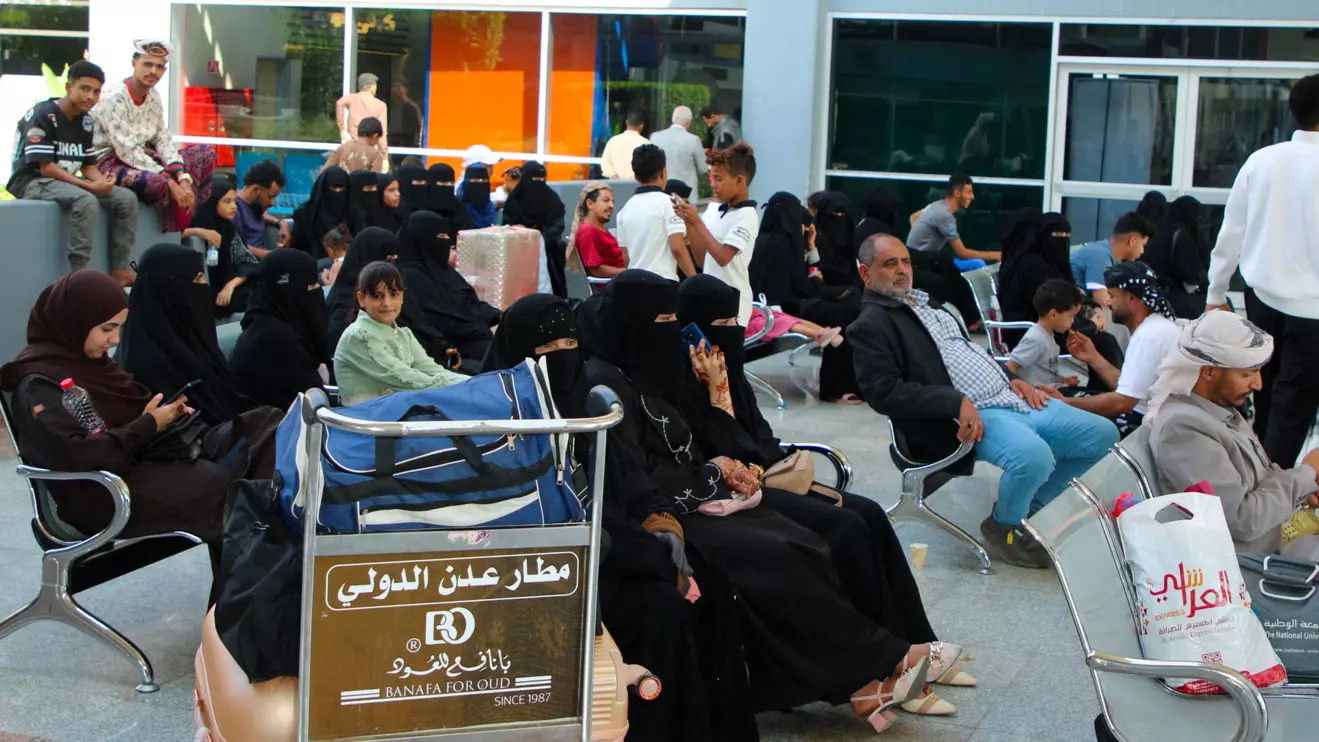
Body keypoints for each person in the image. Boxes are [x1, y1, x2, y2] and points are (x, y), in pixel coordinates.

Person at [580, 270, 949, 733]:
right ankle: (882, 662)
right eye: (664, 318)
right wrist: (718, 436)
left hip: (712, 492)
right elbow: (643, 470)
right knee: (786, 550)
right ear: (632, 322)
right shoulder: (612, 385)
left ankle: (880, 664)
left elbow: (740, 445)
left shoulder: (650, 371)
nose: (674, 331)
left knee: (814, 538)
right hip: (670, 512)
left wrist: (725, 442)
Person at [676, 275, 975, 716]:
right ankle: (886, 665)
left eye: (733, 321)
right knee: (845, 527)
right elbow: (724, 449)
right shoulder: (688, 377)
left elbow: (758, 439)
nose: (730, 332)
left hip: (767, 475)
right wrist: (716, 389)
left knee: (870, 513)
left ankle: (916, 643)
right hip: (734, 491)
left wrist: (729, 388)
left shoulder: (727, 366)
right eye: (718, 322)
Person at [484, 293, 759, 741]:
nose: (561, 360)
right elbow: (565, 512)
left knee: (714, 587)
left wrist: (660, 520)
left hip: (618, 547)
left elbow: (628, 477)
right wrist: (656, 560)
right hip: (552, 565)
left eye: (568, 346)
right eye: (546, 353)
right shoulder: (502, 421)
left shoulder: (590, 407)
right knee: (659, 611)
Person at [0, 270, 281, 604]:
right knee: (227, 490)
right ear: (73, 322)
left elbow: (128, 415)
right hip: (97, 493)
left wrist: (164, 415)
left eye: (118, 328)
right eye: (107, 329)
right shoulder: (41, 383)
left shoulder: (95, 365)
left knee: (264, 427)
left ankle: (258, 600)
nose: (115, 340)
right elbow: (78, 454)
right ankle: (242, 615)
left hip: (137, 461)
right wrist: (148, 423)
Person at [849, 234, 1118, 568]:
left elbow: (973, 354)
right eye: (890, 264)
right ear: (865, 273)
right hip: (968, 416)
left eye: (905, 261)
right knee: (1034, 458)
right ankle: (1004, 525)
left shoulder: (932, 305)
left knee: (1104, 436)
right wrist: (954, 402)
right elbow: (883, 391)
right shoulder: (872, 323)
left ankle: (1031, 510)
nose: (903, 270)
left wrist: (1015, 380)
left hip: (1009, 396)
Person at [1209, 79, 1319, 469]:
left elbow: (1231, 231)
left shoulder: (1262, 160)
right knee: (1292, 410)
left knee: (1263, 395)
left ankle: (1256, 485)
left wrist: (1216, 292)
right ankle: (1267, 501)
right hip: (1313, 313)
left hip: (1263, 301)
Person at [1148, 311, 1319, 559]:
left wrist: (1304, 490)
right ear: (1208, 372)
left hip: (1278, 536)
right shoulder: (1183, 428)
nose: (1258, 385)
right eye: (1247, 374)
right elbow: (1241, 519)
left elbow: (1261, 481)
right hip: (1258, 561)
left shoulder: (1216, 407)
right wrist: (1307, 474)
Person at [7, 60, 137, 285]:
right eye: (85, 89)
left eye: (96, 91)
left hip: (65, 182)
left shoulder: (85, 121)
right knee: (86, 201)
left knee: (126, 198)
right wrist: (89, 186)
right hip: (31, 181)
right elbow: (47, 168)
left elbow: (88, 166)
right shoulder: (43, 114)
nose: (91, 97)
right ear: (69, 87)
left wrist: (104, 182)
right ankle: (78, 275)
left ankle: (119, 270)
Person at [117, 244, 259, 427]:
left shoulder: (187, 342)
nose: (204, 287)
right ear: (171, 289)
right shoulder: (147, 366)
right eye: (198, 279)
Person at [93, 39, 214, 233]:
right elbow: (128, 151)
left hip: (148, 158)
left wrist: (182, 177)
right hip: (110, 161)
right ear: (134, 63)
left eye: (159, 67)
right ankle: (172, 212)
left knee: (204, 154)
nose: (153, 72)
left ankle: (182, 214)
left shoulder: (154, 96)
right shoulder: (114, 98)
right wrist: (170, 181)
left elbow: (162, 138)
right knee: (156, 183)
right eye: (147, 64)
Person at [1064, 261, 1183, 433]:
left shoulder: (1148, 336)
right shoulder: (1154, 327)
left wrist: (1064, 404)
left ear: (1132, 298)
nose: (1108, 302)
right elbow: (1129, 388)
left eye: (1112, 295)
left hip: (1148, 424)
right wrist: (1094, 357)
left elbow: (1123, 402)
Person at [333, 261, 466, 405]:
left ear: (402, 296)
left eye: (394, 294)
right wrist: (469, 387)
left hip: (396, 415)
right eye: (377, 296)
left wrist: (475, 383)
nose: (387, 303)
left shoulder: (403, 334)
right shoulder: (359, 336)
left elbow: (432, 370)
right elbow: (407, 380)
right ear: (361, 299)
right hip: (369, 421)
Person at [397, 210, 500, 369]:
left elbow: (471, 303)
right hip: (447, 355)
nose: (446, 242)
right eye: (441, 237)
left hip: (474, 340)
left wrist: (500, 315)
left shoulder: (445, 272)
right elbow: (433, 324)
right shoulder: (409, 278)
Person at [229, 249, 330, 410]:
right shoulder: (275, 342)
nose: (317, 290)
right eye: (311, 285)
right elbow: (313, 409)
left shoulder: (271, 326)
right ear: (288, 291)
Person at [675, 143, 758, 327]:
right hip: (708, 301)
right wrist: (689, 222)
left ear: (739, 181)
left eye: (719, 179)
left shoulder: (747, 215)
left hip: (733, 307)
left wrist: (697, 222)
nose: (713, 185)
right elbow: (704, 261)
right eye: (712, 178)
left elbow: (723, 257)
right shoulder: (714, 209)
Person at [182, 178, 260, 318]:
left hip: (228, 287)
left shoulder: (229, 229)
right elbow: (176, 235)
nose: (234, 207)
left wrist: (230, 285)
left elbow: (248, 263)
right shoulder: (196, 222)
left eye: (235, 201)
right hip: (206, 291)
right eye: (227, 201)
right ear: (213, 202)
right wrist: (199, 231)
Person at [615, 144, 695, 280]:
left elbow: (626, 256)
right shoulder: (670, 204)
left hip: (634, 284)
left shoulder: (624, 211)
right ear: (663, 172)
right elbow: (677, 248)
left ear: (635, 176)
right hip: (663, 284)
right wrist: (695, 280)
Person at [326, 227, 402, 352]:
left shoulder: (393, 293)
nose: (392, 266)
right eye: (388, 258)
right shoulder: (345, 301)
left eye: (395, 258)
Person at [502, 161, 568, 298]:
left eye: (541, 179)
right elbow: (507, 227)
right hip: (520, 257)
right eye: (534, 179)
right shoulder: (514, 202)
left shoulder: (552, 199)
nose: (538, 183)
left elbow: (558, 225)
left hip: (551, 257)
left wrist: (540, 238)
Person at [906, 174, 999, 270]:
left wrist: (921, 235)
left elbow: (914, 216)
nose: (972, 197)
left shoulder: (936, 205)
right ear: (957, 193)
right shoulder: (945, 216)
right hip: (924, 263)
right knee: (977, 263)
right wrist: (997, 255)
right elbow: (962, 253)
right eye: (969, 192)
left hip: (917, 257)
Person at [1007, 279, 1084, 390]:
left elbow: (1044, 370)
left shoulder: (1047, 334)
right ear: (1053, 314)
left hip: (1052, 390)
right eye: (1070, 316)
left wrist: (1062, 379)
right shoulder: (1035, 338)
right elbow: (1012, 365)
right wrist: (1024, 391)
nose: (1072, 321)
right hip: (1040, 396)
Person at [1069, 212, 1155, 307]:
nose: (1142, 251)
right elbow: (1102, 298)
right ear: (1132, 241)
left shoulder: (1109, 255)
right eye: (1143, 245)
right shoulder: (1100, 256)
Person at [1145, 195, 1210, 319]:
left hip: (1157, 299)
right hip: (1177, 302)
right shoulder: (1182, 236)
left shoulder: (1160, 231)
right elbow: (1187, 274)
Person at [568, 181, 627, 280]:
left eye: (613, 201)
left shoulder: (599, 229)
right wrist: (630, 272)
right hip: (614, 288)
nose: (611, 205)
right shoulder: (587, 231)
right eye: (606, 200)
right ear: (590, 204)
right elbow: (596, 271)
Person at [289, 167, 350, 260]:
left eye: (341, 188)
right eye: (334, 187)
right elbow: (296, 249)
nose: (337, 192)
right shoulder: (306, 216)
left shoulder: (352, 216)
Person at [650, 106, 709, 202]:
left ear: (673, 119)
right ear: (688, 122)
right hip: (686, 196)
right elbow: (703, 168)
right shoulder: (693, 140)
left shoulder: (655, 137)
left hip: (660, 192)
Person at [234, 159, 289, 252]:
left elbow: (261, 215)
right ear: (255, 190)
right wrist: (272, 256)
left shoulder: (255, 208)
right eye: (270, 197)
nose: (273, 203)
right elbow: (238, 248)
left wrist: (282, 224)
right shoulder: (235, 210)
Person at [813, 191, 862, 288]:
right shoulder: (812, 243)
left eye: (843, 213)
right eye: (835, 213)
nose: (839, 218)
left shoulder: (854, 244)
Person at [335, 73, 388, 163]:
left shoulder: (352, 98)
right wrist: (384, 156)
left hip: (351, 147)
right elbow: (381, 135)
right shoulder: (380, 105)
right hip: (369, 151)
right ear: (373, 86)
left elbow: (339, 103)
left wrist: (342, 130)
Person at [600, 108, 649, 180]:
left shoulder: (613, 141)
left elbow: (605, 163)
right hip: (636, 184)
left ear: (626, 122)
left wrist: (614, 176)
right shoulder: (646, 143)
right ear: (641, 125)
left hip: (615, 185)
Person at [425, 163, 473, 234]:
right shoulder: (421, 205)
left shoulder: (459, 206)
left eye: (451, 183)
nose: (448, 186)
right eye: (443, 183)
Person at [458, 164, 497, 228]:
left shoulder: (489, 206)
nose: (480, 182)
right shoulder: (458, 207)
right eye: (475, 179)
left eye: (484, 180)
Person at [345, 169, 381, 236]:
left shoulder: (381, 215)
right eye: (368, 188)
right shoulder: (347, 221)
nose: (374, 191)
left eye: (375, 187)